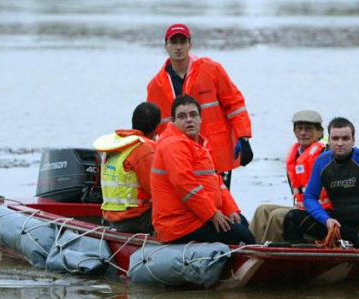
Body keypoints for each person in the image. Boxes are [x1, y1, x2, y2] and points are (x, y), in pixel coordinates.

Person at [147, 23, 253, 189]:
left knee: (221, 203)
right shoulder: (156, 85)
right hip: (180, 156)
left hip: (216, 153)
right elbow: (154, 128)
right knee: (192, 206)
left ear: (190, 45)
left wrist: (244, 137)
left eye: (183, 42)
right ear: (166, 46)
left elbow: (235, 103)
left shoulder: (211, 69)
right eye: (174, 42)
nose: (178, 47)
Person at [151, 95, 255, 245]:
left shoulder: (199, 144)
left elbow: (217, 182)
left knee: (241, 222)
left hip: (196, 217)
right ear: (173, 122)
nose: (189, 120)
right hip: (179, 225)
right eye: (182, 116)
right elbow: (186, 187)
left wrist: (231, 210)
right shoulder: (172, 145)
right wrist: (212, 214)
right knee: (243, 236)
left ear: (201, 119)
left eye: (193, 115)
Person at [283, 117, 359, 249]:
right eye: (335, 138)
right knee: (293, 217)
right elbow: (310, 197)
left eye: (345, 138)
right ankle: (297, 263)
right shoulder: (322, 162)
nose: (340, 143)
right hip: (340, 225)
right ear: (329, 140)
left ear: (353, 141)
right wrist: (326, 219)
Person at [249, 110, 331, 242]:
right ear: (294, 132)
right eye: (299, 129)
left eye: (308, 129)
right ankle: (248, 248)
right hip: (301, 208)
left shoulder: (327, 154)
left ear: (320, 132)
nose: (303, 133)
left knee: (277, 216)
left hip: (322, 213)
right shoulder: (296, 154)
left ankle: (268, 254)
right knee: (262, 210)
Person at [93, 102, 161, 234]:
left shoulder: (117, 145)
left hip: (111, 218)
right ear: (156, 128)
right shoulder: (143, 150)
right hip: (135, 221)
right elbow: (157, 190)